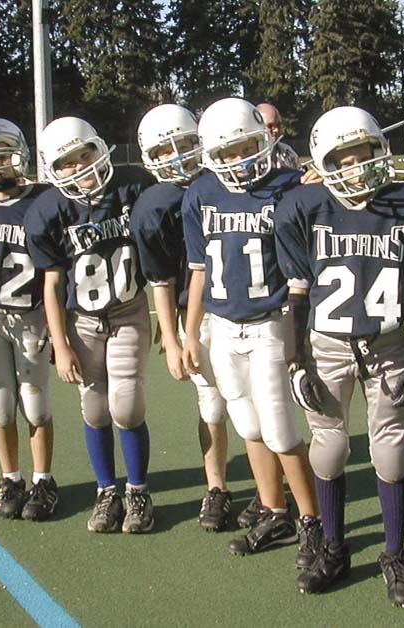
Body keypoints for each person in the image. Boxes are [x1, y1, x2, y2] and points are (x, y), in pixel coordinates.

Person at [274, 106, 404, 607]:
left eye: (364, 154)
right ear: (324, 164)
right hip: (326, 344)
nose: (356, 166)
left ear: (379, 152)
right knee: (328, 447)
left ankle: (394, 554)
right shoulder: (304, 207)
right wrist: (295, 361)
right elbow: (297, 297)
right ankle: (333, 546)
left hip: (388, 342)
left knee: (390, 449)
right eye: (343, 158)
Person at [181, 97, 321, 569]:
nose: (237, 160)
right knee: (248, 425)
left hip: (270, 321)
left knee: (281, 429)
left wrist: (315, 185)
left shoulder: (287, 186)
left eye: (245, 147)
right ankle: (276, 510)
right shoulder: (200, 195)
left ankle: (312, 523)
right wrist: (188, 331)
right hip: (222, 326)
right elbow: (198, 270)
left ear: (263, 140)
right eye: (226, 152)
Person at [25, 116, 156, 533]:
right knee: (95, 407)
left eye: (86, 154)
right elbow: (51, 283)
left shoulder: (133, 185)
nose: (79, 166)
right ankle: (106, 491)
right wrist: (60, 344)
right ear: (52, 168)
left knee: (128, 404)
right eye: (66, 162)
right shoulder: (48, 210)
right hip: (81, 319)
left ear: (101, 149)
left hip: (128, 309)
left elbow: (177, 199)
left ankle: (137, 490)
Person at [131, 103, 236, 532]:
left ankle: (275, 486)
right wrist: (173, 338)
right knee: (211, 403)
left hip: (251, 308)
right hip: (197, 315)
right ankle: (217, 487)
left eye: (185, 144)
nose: (177, 156)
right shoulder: (153, 206)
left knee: (262, 406)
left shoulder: (228, 180)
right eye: (164, 150)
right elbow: (161, 279)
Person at [0, 118, 58, 521]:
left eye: (2, 153)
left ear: (18, 154)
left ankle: (43, 479)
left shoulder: (44, 199)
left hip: (31, 313)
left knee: (34, 403)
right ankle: (11, 478)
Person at [257, 103, 301, 170]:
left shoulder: (287, 151)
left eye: (278, 125)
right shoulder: (249, 156)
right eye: (270, 126)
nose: (276, 130)